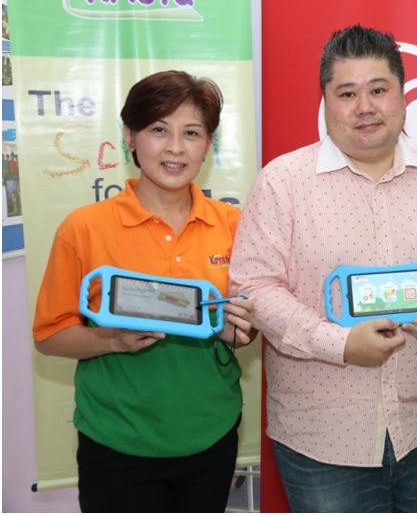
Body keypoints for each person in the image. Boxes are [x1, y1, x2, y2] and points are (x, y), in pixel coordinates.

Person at [229, 25, 417, 512]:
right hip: (322, 441)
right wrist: (339, 344)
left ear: (402, 96)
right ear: (325, 101)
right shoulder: (283, 182)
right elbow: (254, 286)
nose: (365, 107)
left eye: (378, 90)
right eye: (347, 94)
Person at [32, 70, 257, 512]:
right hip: (117, 443)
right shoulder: (84, 228)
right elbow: (49, 334)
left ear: (208, 144)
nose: (175, 147)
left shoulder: (236, 226)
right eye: (158, 129)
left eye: (191, 133)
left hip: (211, 436)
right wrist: (113, 339)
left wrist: (240, 331)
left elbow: (246, 326)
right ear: (129, 137)